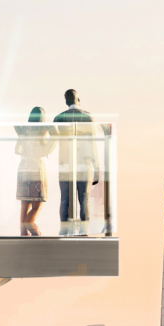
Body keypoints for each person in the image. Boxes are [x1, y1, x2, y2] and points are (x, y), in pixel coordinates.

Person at [52, 88, 102, 236]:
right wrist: (96, 167)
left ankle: (64, 230)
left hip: (65, 165)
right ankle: (83, 231)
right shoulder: (89, 117)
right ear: (78, 100)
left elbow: (55, 142)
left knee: (65, 200)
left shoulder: (59, 118)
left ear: (66, 101)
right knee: (84, 199)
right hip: (84, 164)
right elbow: (92, 144)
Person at [15, 106, 47, 235]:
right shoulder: (43, 130)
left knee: (24, 205)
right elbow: (44, 149)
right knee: (37, 206)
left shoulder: (23, 130)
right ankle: (32, 228)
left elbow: (17, 150)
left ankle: (23, 234)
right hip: (36, 168)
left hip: (23, 168)